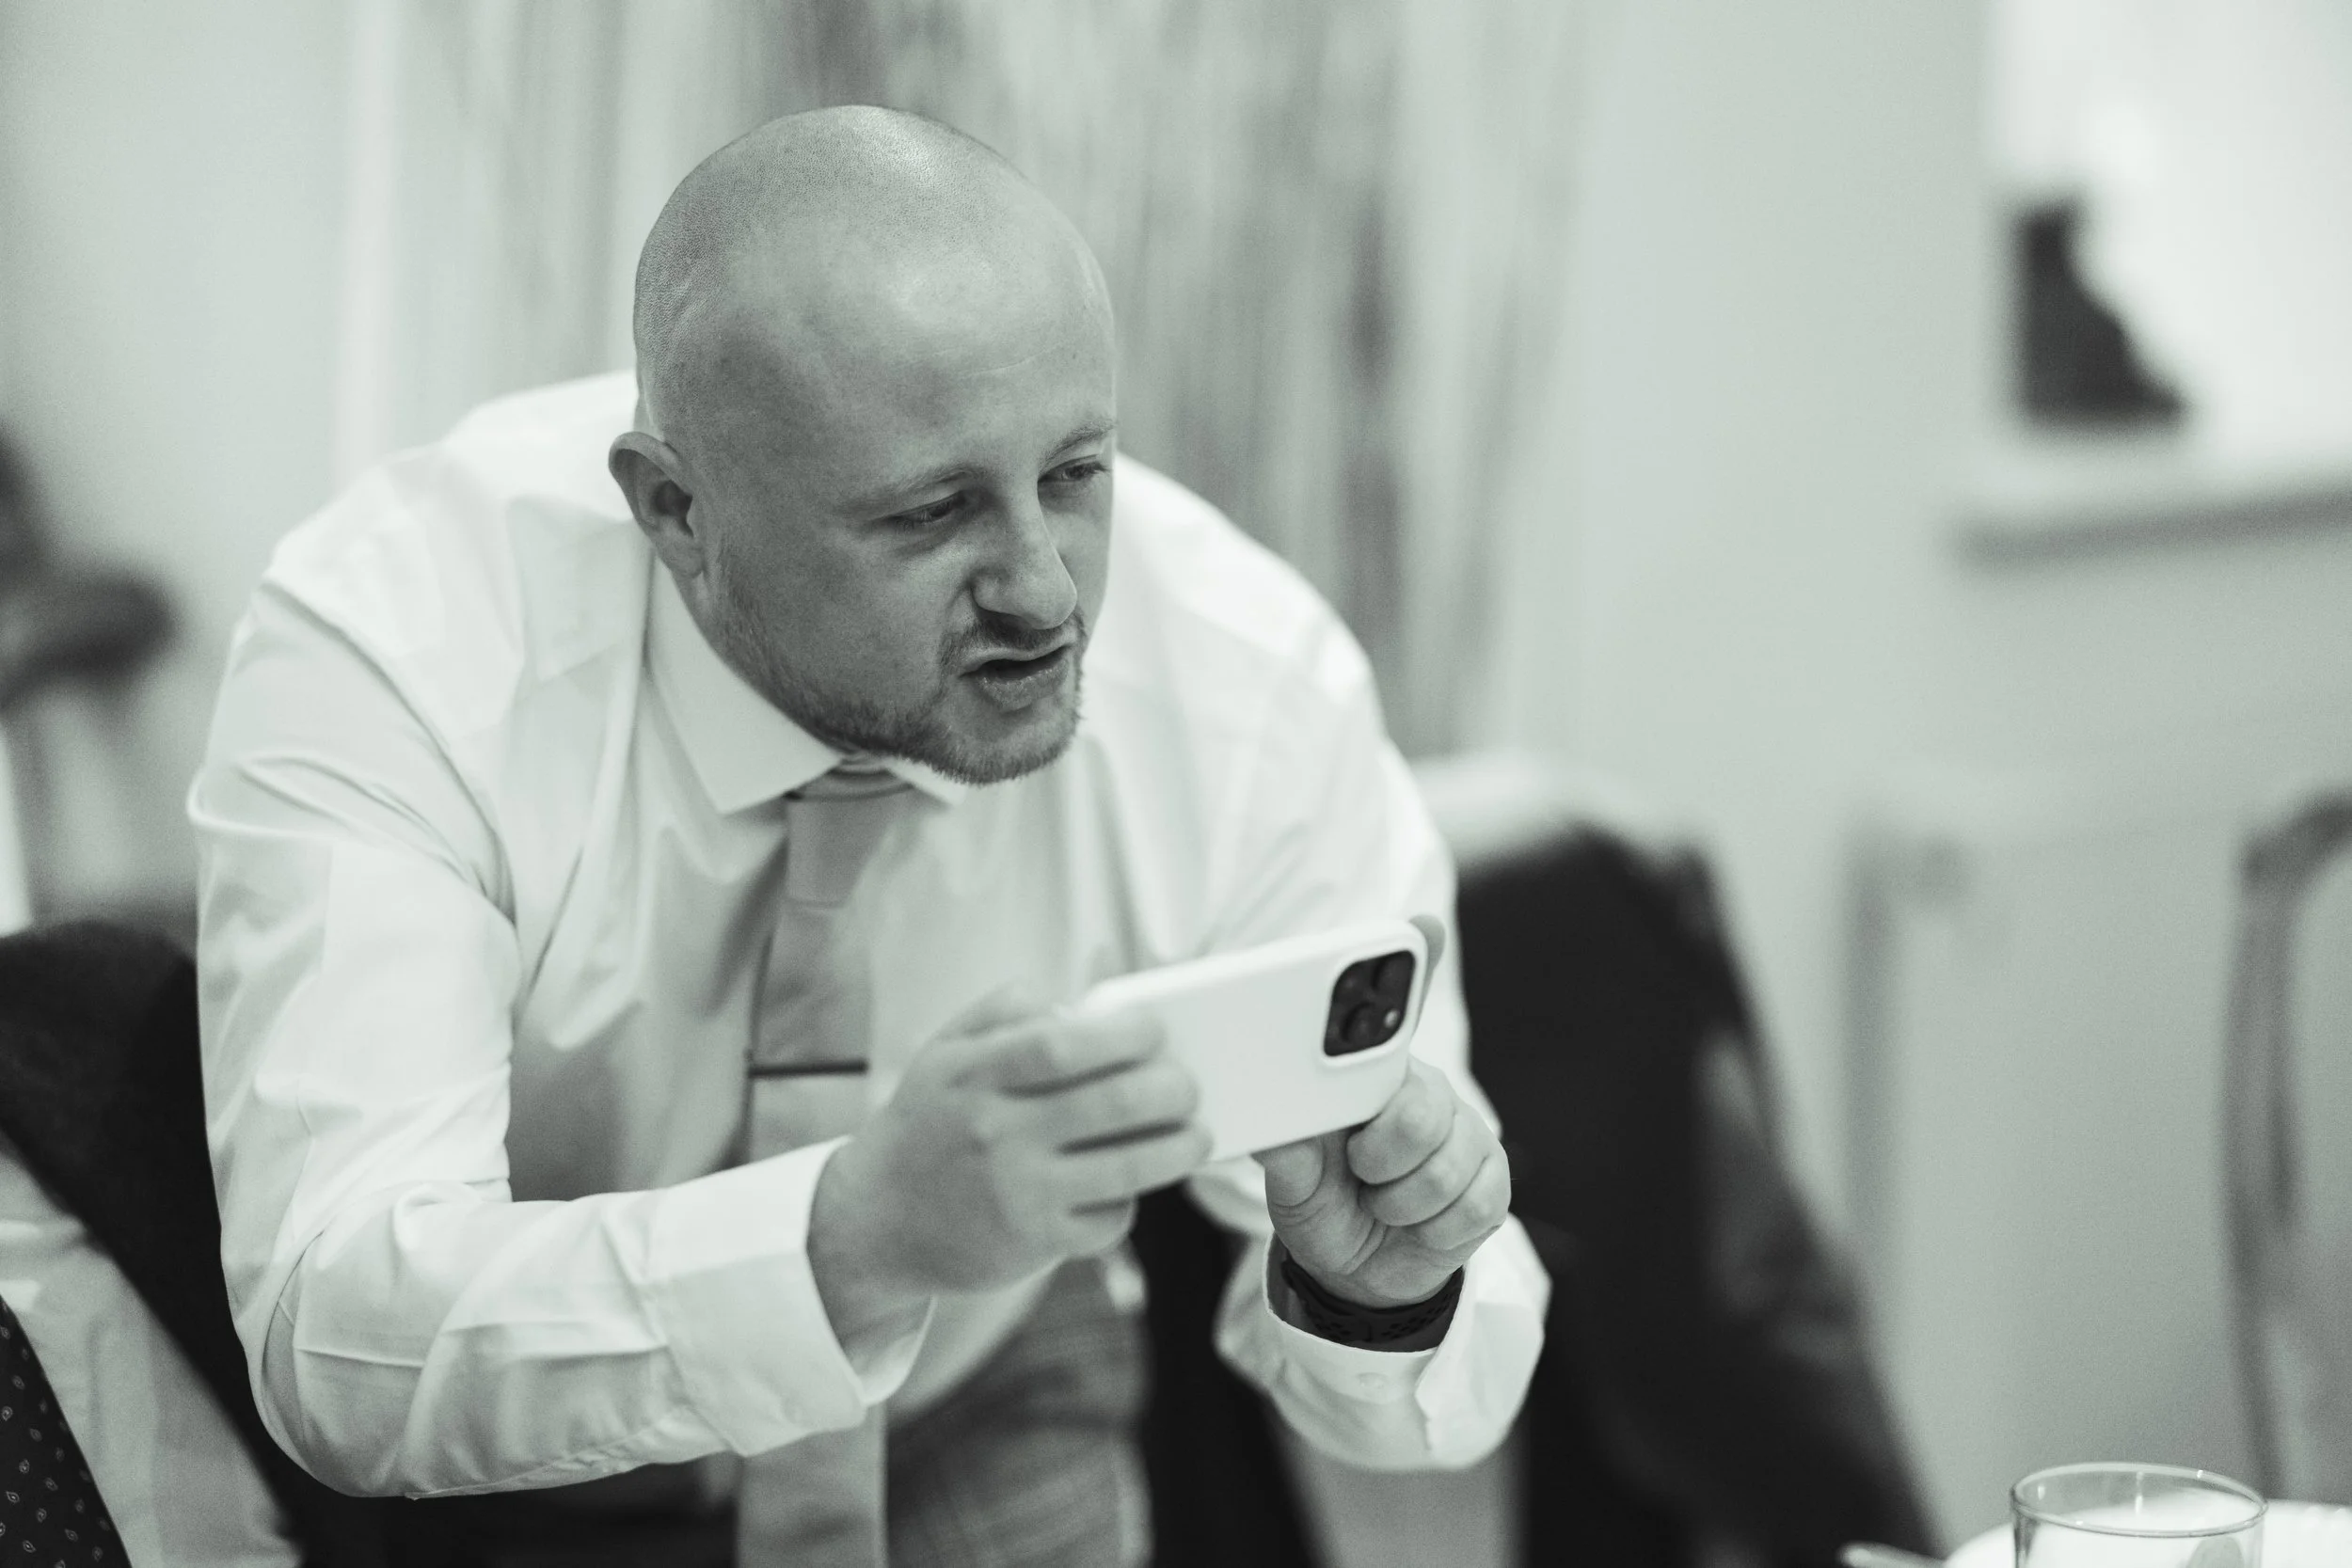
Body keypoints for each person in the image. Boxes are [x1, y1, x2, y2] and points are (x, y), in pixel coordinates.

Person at [193, 106, 1548, 1567]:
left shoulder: (1248, 686)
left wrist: (1379, 1290)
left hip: (984, 1384)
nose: (1046, 591)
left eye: (1078, 472)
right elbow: (336, 1336)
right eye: (932, 513)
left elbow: (1435, 1390)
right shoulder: (403, 647)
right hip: (508, 1474)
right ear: (675, 510)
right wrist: (848, 1235)